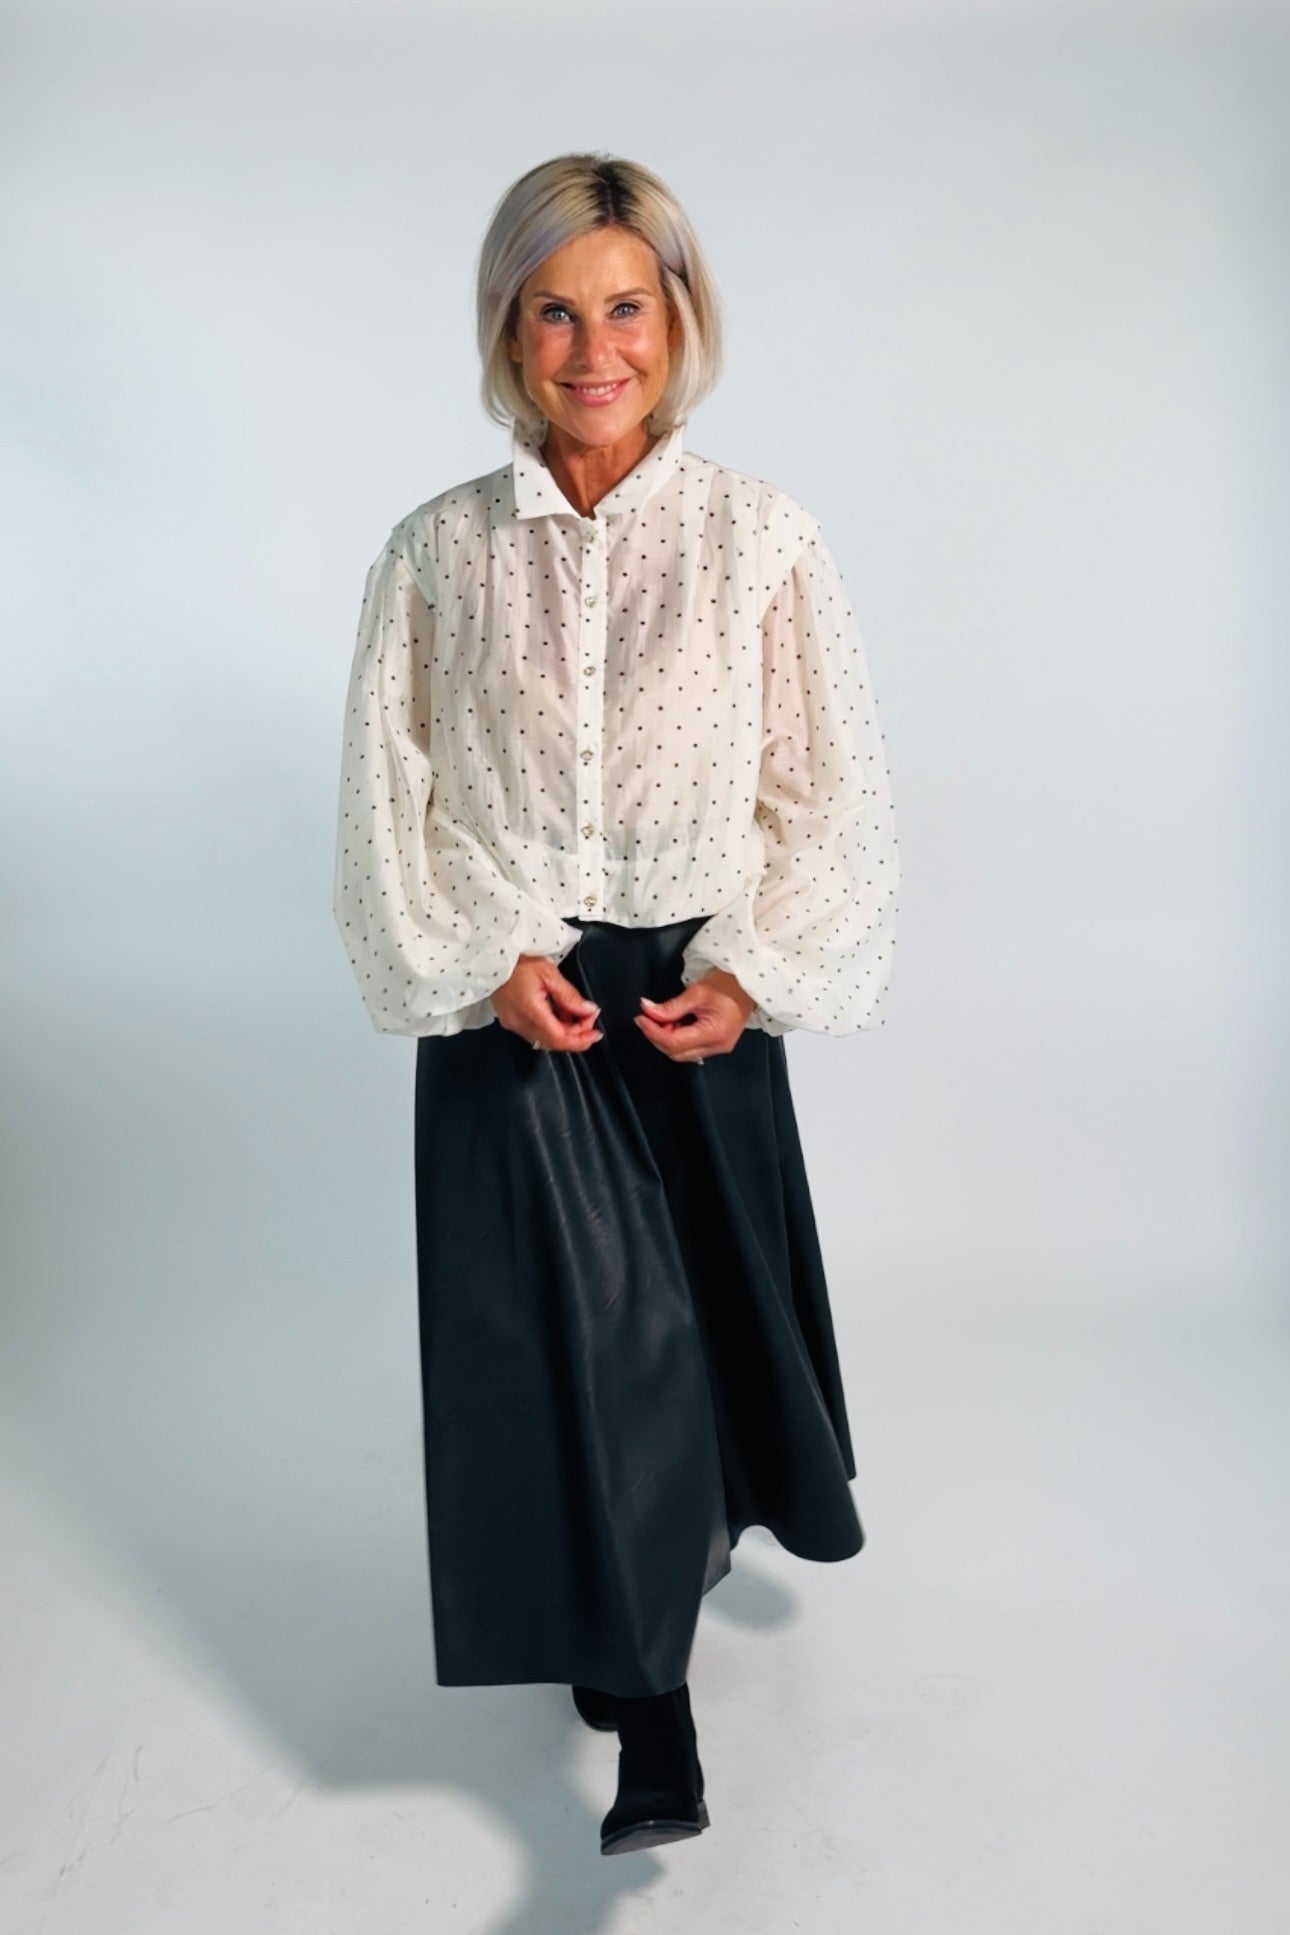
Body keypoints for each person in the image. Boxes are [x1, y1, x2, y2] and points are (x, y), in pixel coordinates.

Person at [332, 150, 900, 1858]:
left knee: (696, 1326)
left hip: (687, 992)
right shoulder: (437, 552)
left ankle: (648, 1579)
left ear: (678, 316)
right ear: (508, 328)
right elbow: (388, 792)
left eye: (627, 307)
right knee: (587, 1337)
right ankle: (657, 1720)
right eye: (554, 312)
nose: (595, 350)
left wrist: (752, 976)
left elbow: (829, 793)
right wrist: (480, 963)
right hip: (516, 984)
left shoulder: (759, 539)